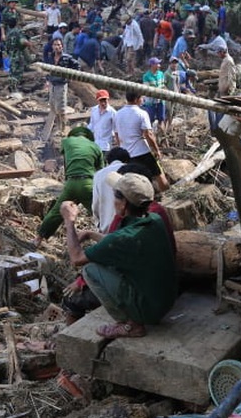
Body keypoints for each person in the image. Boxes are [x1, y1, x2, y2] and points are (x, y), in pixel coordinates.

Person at [58, 173, 177, 338]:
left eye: (115, 196)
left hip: (149, 311)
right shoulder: (154, 220)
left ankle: (130, 325)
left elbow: (76, 258)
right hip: (165, 301)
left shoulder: (122, 238)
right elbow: (114, 242)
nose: (113, 200)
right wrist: (91, 234)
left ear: (123, 204)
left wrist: (69, 220)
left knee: (90, 269)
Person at [34, 126, 104, 246]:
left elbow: (66, 161)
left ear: (74, 135)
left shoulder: (67, 142)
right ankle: (108, 240)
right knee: (100, 214)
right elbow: (100, 170)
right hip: (88, 184)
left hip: (71, 183)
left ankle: (38, 239)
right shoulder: (96, 147)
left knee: (56, 211)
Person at [113, 90, 168, 190]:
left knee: (133, 183)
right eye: (142, 97)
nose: (143, 99)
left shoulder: (118, 114)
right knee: (159, 176)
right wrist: (156, 150)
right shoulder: (141, 113)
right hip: (142, 152)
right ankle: (168, 196)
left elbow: (116, 136)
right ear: (136, 100)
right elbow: (148, 134)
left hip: (126, 154)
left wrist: (121, 147)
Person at [91, 147, 129, 232]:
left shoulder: (98, 175)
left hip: (107, 229)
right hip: (129, 228)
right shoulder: (131, 169)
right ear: (126, 160)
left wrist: (98, 223)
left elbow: (95, 204)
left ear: (108, 161)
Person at [141, 57, 167, 134]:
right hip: (150, 102)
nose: (159, 65)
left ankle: (163, 137)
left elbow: (163, 85)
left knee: (161, 119)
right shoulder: (146, 76)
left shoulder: (161, 74)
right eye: (157, 64)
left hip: (161, 101)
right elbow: (147, 89)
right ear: (152, 65)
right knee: (150, 120)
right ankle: (151, 136)